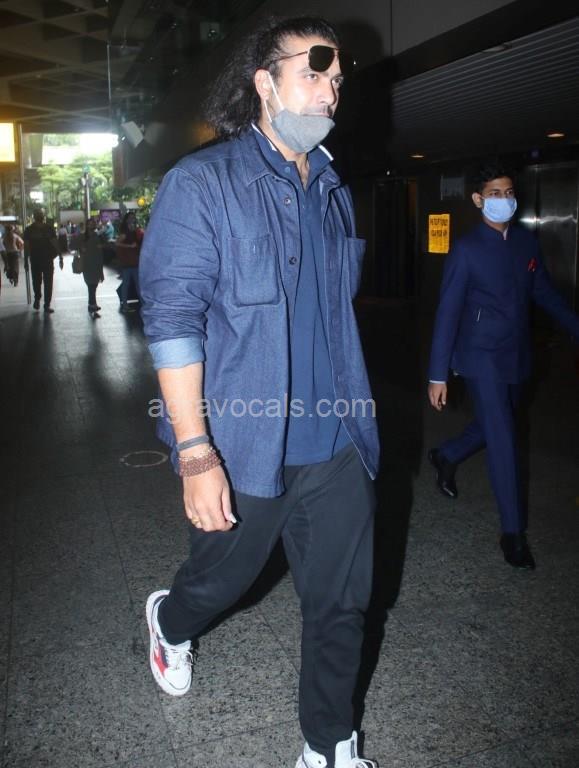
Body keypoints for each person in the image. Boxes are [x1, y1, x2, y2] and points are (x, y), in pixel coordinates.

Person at [139, 16, 379, 768]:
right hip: (244, 442)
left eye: (336, 79)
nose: (329, 92)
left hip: (336, 439)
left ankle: (328, 747)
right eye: (312, 73)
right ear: (264, 84)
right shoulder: (202, 183)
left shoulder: (333, 188)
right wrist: (194, 450)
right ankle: (170, 623)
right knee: (222, 585)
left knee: (342, 602)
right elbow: (173, 321)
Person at [427, 161, 579, 570]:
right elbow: (447, 312)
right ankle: (513, 534)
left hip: (517, 354)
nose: (504, 200)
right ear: (479, 200)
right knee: (504, 440)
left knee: (499, 423)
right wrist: (438, 374)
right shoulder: (466, 250)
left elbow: (543, 292)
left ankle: (447, 455)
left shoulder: (526, 243)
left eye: (509, 193)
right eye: (495, 194)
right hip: (481, 358)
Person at [23, 209, 62, 313]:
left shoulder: (30, 230)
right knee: (46, 282)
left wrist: (26, 260)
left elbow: (26, 247)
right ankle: (44, 303)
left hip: (39, 260)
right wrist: (60, 256)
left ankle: (39, 299)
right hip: (44, 260)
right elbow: (55, 243)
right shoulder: (47, 229)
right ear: (42, 216)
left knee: (38, 281)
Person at [116, 211, 143, 312]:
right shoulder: (125, 233)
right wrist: (130, 246)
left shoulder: (135, 231)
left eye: (133, 217)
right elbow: (117, 243)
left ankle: (139, 303)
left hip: (134, 261)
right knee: (128, 284)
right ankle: (126, 305)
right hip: (128, 262)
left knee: (136, 284)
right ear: (127, 220)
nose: (132, 219)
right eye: (130, 217)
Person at [79, 217, 104, 317]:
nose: (92, 225)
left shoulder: (97, 236)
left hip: (96, 263)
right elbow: (76, 246)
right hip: (88, 264)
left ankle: (92, 304)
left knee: (94, 285)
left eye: (94, 223)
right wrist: (82, 249)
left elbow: (102, 247)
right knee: (91, 285)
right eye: (90, 223)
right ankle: (93, 305)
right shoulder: (83, 236)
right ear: (87, 225)